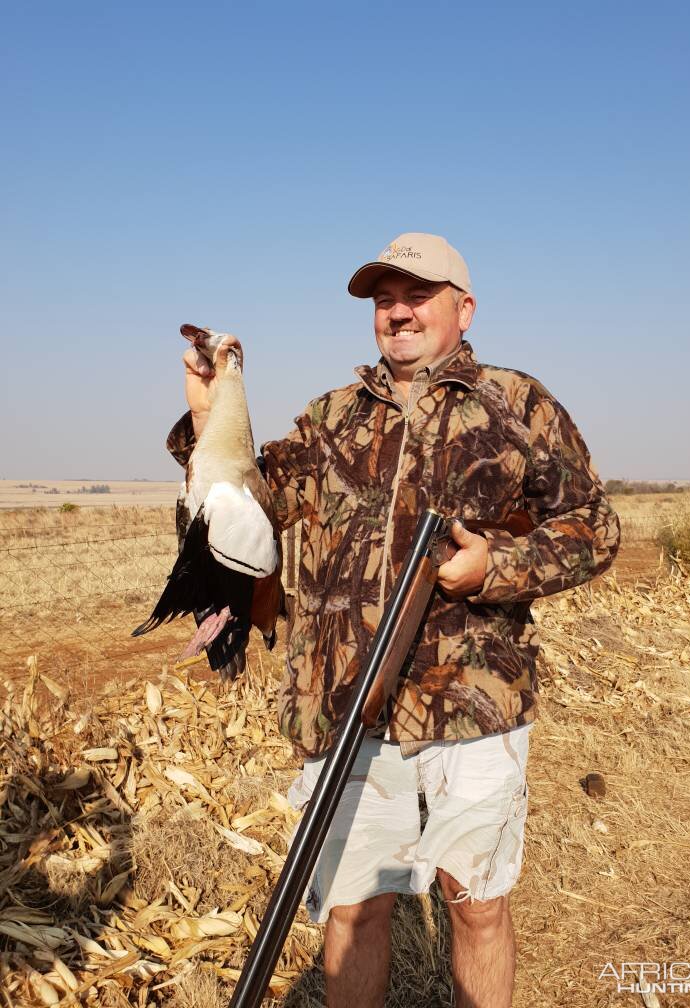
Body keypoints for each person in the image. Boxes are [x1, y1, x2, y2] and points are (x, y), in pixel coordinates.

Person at [167, 233, 620, 1008]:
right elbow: (247, 507)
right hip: (343, 705)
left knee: (474, 906)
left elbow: (594, 528)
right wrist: (210, 411)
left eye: (417, 295)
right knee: (353, 910)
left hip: (474, 705)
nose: (399, 312)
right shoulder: (329, 418)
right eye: (384, 299)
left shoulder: (516, 405)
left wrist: (496, 570)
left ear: (463, 307)